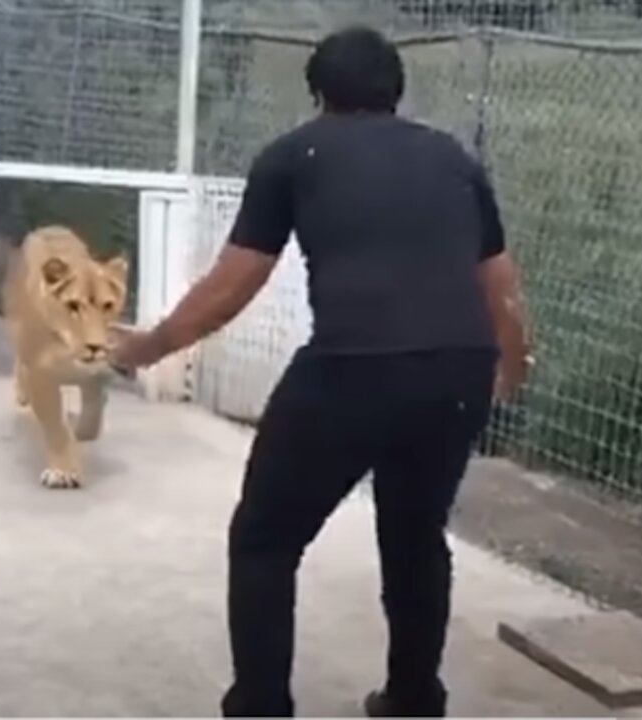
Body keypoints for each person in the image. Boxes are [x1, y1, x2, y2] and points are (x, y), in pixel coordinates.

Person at [112, 24, 529, 718]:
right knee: (415, 535)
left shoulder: (294, 156)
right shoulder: (453, 159)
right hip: (456, 370)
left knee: (265, 538)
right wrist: (510, 364)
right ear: (397, 92)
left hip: (351, 369)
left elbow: (235, 281)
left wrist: (150, 346)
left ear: (318, 95)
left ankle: (262, 704)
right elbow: (502, 285)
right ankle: (414, 699)